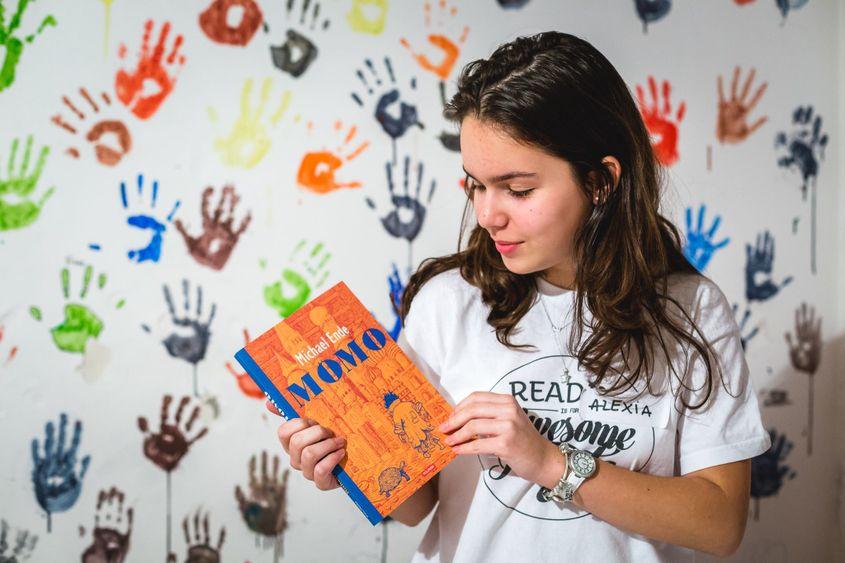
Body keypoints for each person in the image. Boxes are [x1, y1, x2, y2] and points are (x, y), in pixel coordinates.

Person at [270, 31, 771, 562]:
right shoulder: (447, 301)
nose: (488, 215)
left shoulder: (691, 310)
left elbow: (720, 525)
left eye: (518, 189)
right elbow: (417, 504)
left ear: (600, 182)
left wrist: (552, 462)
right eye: (476, 185)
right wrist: (347, 461)